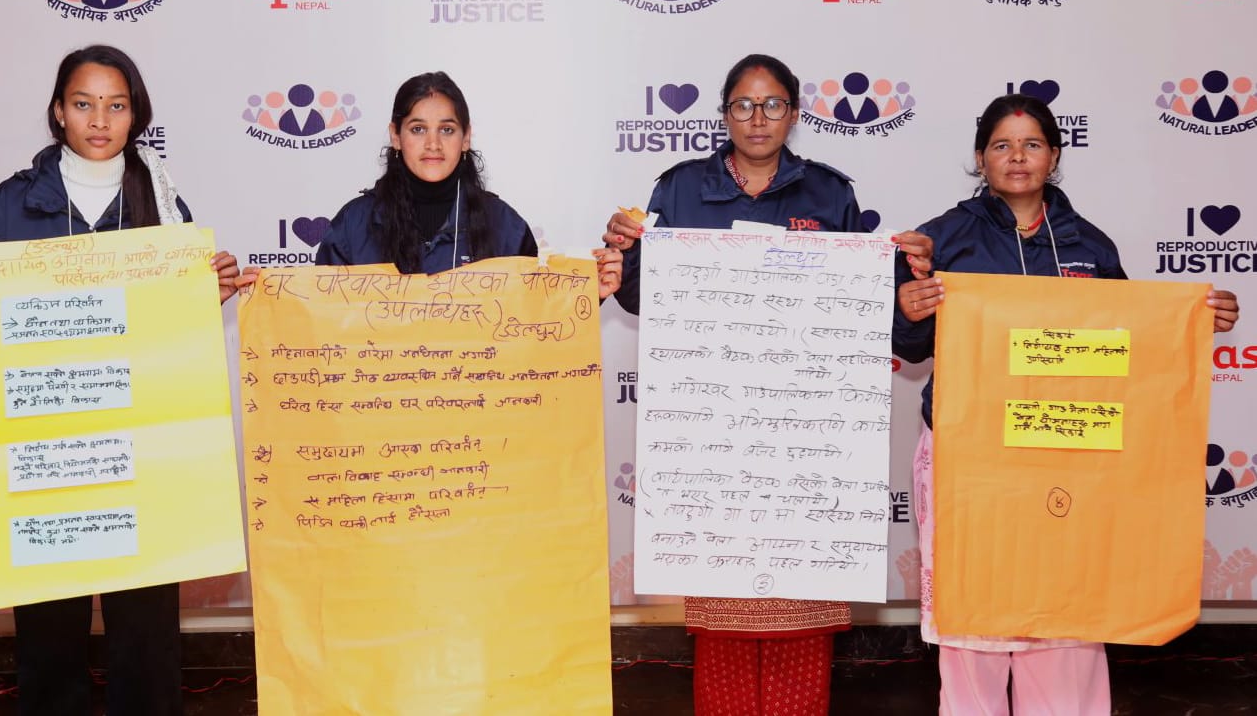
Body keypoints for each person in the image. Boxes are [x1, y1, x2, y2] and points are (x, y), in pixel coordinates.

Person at [0, 44, 241, 716]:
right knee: (48, 642)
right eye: (84, 103)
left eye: (116, 104)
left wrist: (203, 299)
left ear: (137, 115)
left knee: (147, 639)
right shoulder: (14, 203)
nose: (99, 119)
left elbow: (170, 335)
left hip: (139, 453)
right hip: (46, 451)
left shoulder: (165, 204)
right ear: (58, 111)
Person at [603, 53, 932, 716]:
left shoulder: (829, 194)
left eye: (773, 104)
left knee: (801, 621)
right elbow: (645, 301)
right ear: (724, 114)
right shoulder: (680, 187)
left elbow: (860, 306)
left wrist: (904, 282)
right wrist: (624, 256)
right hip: (711, 442)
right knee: (721, 626)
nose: (758, 119)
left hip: (803, 444)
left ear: (795, 112)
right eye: (744, 106)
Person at [892, 93, 1240, 715]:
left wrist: (1195, 323)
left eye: (1031, 144)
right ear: (980, 158)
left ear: (1054, 154)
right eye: (1001, 145)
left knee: (1069, 610)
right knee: (973, 617)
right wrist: (908, 307)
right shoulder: (941, 238)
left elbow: (1132, 346)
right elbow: (910, 345)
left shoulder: (1091, 245)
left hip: (1068, 453)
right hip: (970, 459)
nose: (1017, 157)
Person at [244, 70, 621, 292]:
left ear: (466, 137)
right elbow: (318, 324)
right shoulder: (354, 226)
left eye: (447, 129)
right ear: (395, 136)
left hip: (481, 416)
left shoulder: (502, 224)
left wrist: (590, 294)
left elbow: (538, 319)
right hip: (379, 416)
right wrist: (270, 298)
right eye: (418, 128)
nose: (433, 144)